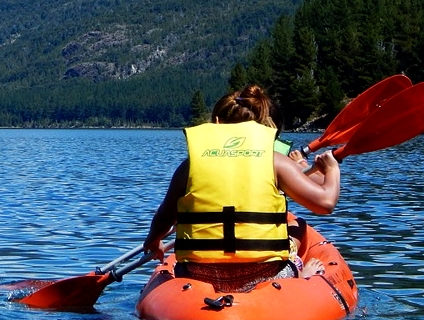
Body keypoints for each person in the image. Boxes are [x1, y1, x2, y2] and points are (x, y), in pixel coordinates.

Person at [142, 85, 340, 292]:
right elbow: (325, 203)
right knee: (298, 227)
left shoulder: (190, 165)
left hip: (199, 275)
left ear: (216, 124)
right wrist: (332, 169)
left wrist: (153, 241)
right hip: (264, 274)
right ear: (261, 125)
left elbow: (165, 216)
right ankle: (301, 274)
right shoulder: (276, 162)